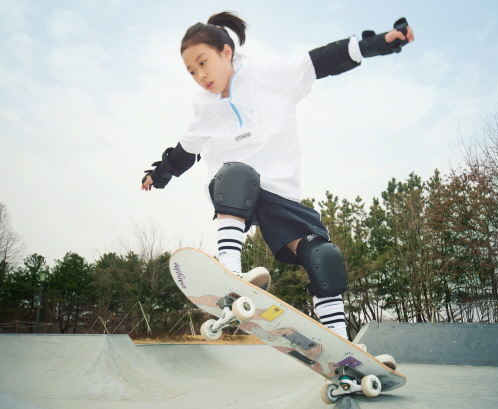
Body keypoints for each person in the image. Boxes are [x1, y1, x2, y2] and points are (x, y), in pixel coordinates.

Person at [141, 11, 414, 340]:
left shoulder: (268, 75)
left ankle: (341, 343)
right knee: (238, 173)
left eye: (203, 62)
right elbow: (185, 151)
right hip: (233, 191)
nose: (200, 75)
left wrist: (381, 43)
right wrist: (158, 176)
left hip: (279, 194)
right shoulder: (204, 107)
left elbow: (321, 60)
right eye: (191, 71)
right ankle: (230, 271)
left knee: (323, 256)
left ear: (226, 52)